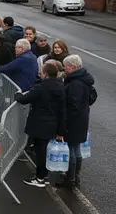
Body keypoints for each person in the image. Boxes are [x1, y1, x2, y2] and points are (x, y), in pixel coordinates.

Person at [16, 62, 66, 188]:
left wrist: (17, 94)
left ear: (45, 73)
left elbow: (23, 99)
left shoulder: (41, 87)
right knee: (43, 150)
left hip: (39, 124)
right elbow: (62, 110)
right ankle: (43, 176)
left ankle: (40, 178)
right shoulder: (61, 86)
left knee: (41, 151)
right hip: (52, 123)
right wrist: (60, 130)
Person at [58, 55, 95, 188]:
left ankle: (70, 178)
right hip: (82, 117)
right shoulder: (83, 79)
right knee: (77, 148)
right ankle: (76, 176)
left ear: (73, 67)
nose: (64, 68)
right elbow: (91, 97)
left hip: (74, 120)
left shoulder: (75, 83)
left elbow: (73, 105)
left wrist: (64, 123)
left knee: (72, 148)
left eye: (66, 66)